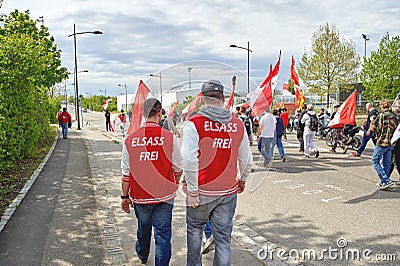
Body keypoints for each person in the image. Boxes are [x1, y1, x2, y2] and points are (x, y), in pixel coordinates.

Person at [181, 80, 253, 265]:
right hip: (227, 193)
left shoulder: (193, 123)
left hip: (202, 192)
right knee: (223, 241)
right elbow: (247, 159)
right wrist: (242, 179)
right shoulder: (237, 124)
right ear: (222, 98)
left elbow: (189, 159)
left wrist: (193, 189)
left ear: (202, 99)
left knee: (195, 237)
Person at [120, 98, 183, 265]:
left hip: (140, 196)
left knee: (144, 228)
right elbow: (178, 168)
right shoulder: (170, 138)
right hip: (164, 195)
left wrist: (124, 197)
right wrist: (174, 184)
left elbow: (126, 174)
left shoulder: (129, 140)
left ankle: (142, 255)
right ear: (160, 114)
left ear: (142, 115)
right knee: (162, 235)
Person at [368, 99, 399, 189]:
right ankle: (384, 182)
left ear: (382, 106)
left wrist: (372, 124)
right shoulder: (394, 116)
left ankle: (386, 180)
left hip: (382, 142)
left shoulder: (381, 115)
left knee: (375, 160)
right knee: (386, 162)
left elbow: (374, 127)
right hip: (391, 142)